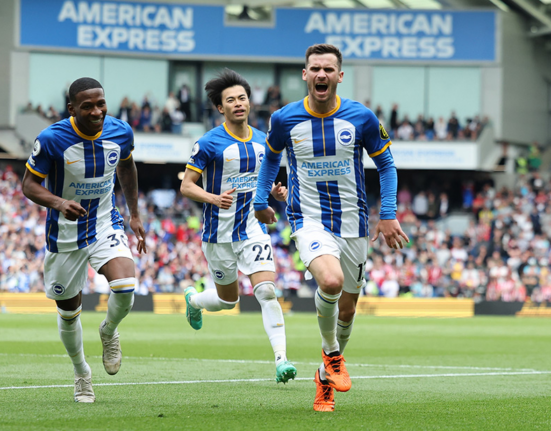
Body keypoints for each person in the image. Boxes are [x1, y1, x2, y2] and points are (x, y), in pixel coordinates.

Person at [254, 44, 409, 412]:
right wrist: (261, 200)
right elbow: (270, 160)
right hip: (308, 219)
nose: (321, 74)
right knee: (332, 282)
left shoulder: (362, 118)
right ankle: (335, 358)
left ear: (340, 76)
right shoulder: (284, 119)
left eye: (328, 69)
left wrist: (387, 214)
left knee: (348, 309)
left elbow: (387, 166)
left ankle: (325, 373)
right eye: (314, 68)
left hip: (353, 223)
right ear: (305, 75)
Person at [21, 77, 147, 403]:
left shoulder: (121, 132)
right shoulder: (51, 139)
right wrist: (60, 203)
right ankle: (81, 373)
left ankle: (108, 330)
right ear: (72, 108)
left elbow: (127, 167)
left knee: (125, 286)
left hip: (105, 221)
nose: (96, 111)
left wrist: (133, 213)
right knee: (68, 313)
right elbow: (29, 186)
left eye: (101, 103)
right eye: (87, 106)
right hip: (64, 235)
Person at [180, 69, 297, 384]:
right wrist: (212, 197)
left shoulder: (264, 140)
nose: (238, 104)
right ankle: (194, 300)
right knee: (228, 300)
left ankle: (281, 360)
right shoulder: (208, 142)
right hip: (218, 236)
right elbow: (187, 186)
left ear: (250, 101)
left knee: (267, 291)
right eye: (230, 100)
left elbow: (264, 175)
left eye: (242, 98)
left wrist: (274, 190)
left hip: (252, 230)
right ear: (221, 108)